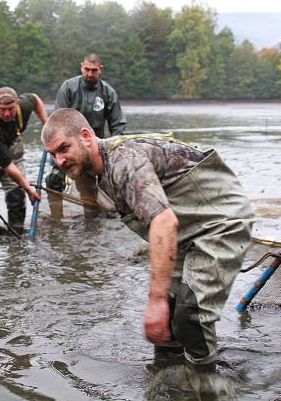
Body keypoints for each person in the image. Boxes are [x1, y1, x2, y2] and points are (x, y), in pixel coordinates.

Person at [42, 108, 254, 371]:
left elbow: (163, 223)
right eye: (53, 155)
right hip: (186, 232)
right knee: (166, 328)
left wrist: (155, 301)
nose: (59, 160)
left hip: (221, 222)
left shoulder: (124, 160)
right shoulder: (93, 171)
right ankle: (169, 389)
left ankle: (207, 391)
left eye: (64, 148)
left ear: (86, 136)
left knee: (190, 315)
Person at [47, 53, 126, 218]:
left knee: (89, 190)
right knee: (53, 182)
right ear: (81, 66)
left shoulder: (108, 93)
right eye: (87, 69)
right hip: (66, 147)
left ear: (100, 69)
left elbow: (117, 125)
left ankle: (92, 225)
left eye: (94, 70)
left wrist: (113, 150)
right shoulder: (68, 88)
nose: (90, 74)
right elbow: (57, 119)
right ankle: (56, 221)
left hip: (92, 150)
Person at [0, 87, 48, 236]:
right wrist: (28, 188)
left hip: (12, 145)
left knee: (16, 195)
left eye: (11, 109)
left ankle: (16, 235)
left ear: (17, 104)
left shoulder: (24, 105)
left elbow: (35, 99)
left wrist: (47, 124)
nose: (7, 114)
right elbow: (8, 167)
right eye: (2, 109)